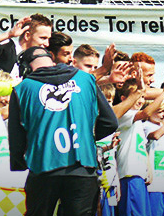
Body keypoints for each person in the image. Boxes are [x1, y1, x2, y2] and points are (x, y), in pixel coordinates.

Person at [9, 46, 119, 216]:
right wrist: (86, 138)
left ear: (26, 68)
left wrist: (20, 163)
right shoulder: (86, 80)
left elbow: (16, 138)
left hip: (43, 167)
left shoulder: (22, 89)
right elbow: (110, 122)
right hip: (82, 167)